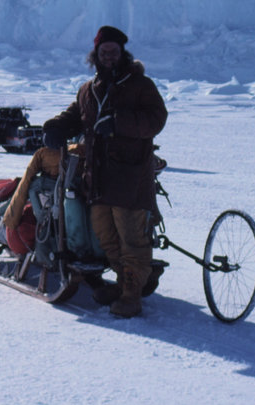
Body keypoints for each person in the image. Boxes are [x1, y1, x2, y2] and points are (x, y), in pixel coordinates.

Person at [42, 26, 167, 318]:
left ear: (122, 53)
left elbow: (157, 118)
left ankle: (131, 297)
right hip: (98, 180)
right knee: (107, 237)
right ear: (95, 55)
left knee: (131, 239)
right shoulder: (89, 90)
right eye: (103, 52)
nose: (109, 56)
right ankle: (123, 285)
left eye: (113, 51)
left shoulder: (140, 85)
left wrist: (119, 122)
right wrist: (55, 128)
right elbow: (75, 116)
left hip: (131, 179)